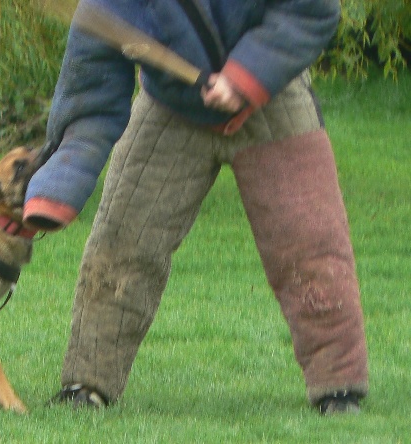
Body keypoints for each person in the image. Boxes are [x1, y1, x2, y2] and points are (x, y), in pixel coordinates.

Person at [23, 0, 368, 415]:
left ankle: (339, 387)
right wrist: (60, 183)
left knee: (312, 249)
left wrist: (246, 75)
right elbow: (90, 92)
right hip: (170, 109)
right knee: (120, 245)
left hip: (275, 98)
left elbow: (310, 11)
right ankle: (87, 384)